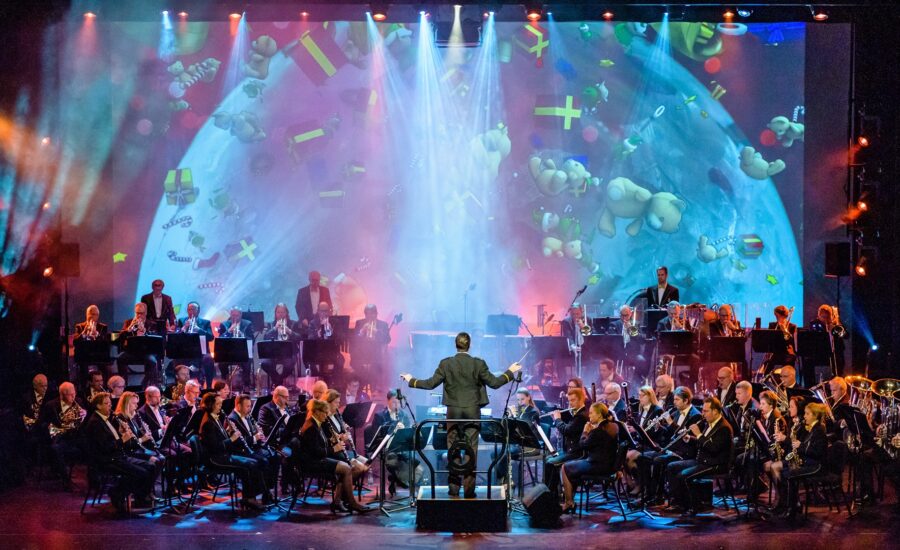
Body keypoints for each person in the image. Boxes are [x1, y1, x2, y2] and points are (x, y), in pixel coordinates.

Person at [401, 332, 521, 498]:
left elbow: (430, 384)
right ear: (469, 345)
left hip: (454, 412)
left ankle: (454, 489)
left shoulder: (446, 363)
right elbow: (494, 383)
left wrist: (411, 380)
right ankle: (470, 491)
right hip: (472, 412)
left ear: (455, 345)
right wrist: (510, 371)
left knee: (453, 450)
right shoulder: (478, 363)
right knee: (472, 450)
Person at [83, 392, 157, 512]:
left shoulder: (106, 419)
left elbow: (113, 440)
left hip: (117, 456)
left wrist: (121, 433)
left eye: (110, 403)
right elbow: (105, 448)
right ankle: (117, 492)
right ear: (98, 406)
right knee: (141, 472)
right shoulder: (95, 423)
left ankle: (140, 496)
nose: (110, 406)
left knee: (150, 467)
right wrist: (123, 439)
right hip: (106, 460)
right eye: (106, 404)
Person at [297, 399, 370, 513]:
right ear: (317, 412)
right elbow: (316, 452)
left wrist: (332, 440)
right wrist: (334, 448)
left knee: (346, 468)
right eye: (325, 413)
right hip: (313, 462)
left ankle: (338, 501)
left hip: (319, 458)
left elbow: (321, 444)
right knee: (346, 468)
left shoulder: (316, 423)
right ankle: (351, 502)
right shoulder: (311, 427)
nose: (326, 416)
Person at [664, 396, 733, 514]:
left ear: (715, 411)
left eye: (706, 411)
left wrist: (698, 434)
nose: (703, 414)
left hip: (715, 464)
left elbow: (713, 448)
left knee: (684, 475)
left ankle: (694, 506)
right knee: (672, 466)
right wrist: (690, 438)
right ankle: (678, 503)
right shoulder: (710, 422)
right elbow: (704, 441)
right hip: (703, 460)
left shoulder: (724, 427)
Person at [199, 392, 267, 510]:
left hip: (223, 454)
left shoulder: (215, 417)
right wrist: (232, 439)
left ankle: (251, 497)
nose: (221, 406)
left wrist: (228, 432)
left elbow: (220, 439)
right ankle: (250, 498)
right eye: (218, 404)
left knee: (252, 462)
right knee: (249, 464)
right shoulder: (208, 423)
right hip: (215, 458)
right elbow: (215, 447)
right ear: (210, 405)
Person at [560, 402, 619, 513]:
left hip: (598, 465)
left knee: (565, 467)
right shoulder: (613, 426)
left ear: (599, 415)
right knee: (574, 467)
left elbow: (582, 445)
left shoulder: (597, 431)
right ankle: (570, 499)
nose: (589, 415)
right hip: (610, 465)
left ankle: (568, 503)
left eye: (591, 413)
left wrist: (585, 431)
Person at [779, 402, 828, 519]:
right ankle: (792, 503)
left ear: (815, 416)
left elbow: (817, 452)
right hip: (809, 462)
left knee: (789, 474)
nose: (804, 416)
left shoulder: (819, 430)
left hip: (816, 465)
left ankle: (792, 508)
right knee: (785, 471)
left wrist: (800, 446)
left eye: (807, 414)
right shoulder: (813, 429)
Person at [543, 387, 589, 500]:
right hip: (570, 450)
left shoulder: (582, 416)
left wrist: (558, 419)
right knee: (548, 459)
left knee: (550, 463)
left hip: (577, 453)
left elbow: (567, 430)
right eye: (569, 401)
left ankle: (552, 497)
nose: (570, 403)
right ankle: (553, 494)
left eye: (573, 400)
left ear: (581, 399)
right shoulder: (576, 413)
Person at [37, 382, 86, 488]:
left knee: (92, 445)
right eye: (70, 394)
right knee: (56, 449)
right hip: (59, 438)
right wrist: (52, 428)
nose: (73, 396)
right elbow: (42, 423)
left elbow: (83, 424)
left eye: (74, 393)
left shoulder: (79, 401)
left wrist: (84, 415)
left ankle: (94, 480)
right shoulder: (51, 405)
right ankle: (65, 479)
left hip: (75, 436)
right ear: (62, 395)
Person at [117, 302, 162, 387]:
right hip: (131, 352)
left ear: (146, 313)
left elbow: (155, 339)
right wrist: (128, 329)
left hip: (147, 352)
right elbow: (120, 338)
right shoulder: (128, 322)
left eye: (141, 313)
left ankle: (149, 384)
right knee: (120, 359)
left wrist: (145, 331)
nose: (139, 316)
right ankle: (123, 385)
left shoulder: (152, 324)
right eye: (137, 313)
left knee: (152, 361)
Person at [173, 301, 216, 387]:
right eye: (189, 309)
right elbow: (175, 335)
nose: (191, 312)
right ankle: (179, 386)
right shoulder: (181, 320)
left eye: (193, 309)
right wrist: (184, 327)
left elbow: (211, 337)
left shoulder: (205, 322)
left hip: (201, 352)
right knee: (176, 358)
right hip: (185, 351)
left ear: (198, 311)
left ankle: (208, 386)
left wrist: (199, 329)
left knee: (209, 359)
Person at [260, 303, 300, 388]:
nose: (280, 314)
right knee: (264, 363)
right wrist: (274, 329)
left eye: (283, 312)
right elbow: (265, 337)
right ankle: (279, 381)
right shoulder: (271, 324)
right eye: (278, 312)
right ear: (275, 313)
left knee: (289, 364)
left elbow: (299, 338)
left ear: (286, 313)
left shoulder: (293, 324)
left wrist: (289, 331)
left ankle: (277, 382)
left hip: (289, 354)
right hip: (273, 353)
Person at [352, 304, 391, 388]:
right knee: (360, 373)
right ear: (365, 314)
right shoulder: (359, 323)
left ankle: (375, 391)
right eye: (367, 314)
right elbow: (354, 339)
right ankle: (359, 393)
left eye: (372, 313)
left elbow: (387, 339)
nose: (370, 316)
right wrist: (362, 331)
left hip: (376, 357)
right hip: (361, 356)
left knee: (375, 370)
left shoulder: (383, 325)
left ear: (376, 314)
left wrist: (376, 331)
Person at [216, 306, 254, 390]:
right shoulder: (224, 324)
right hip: (228, 354)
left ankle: (246, 385)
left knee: (247, 362)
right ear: (230, 315)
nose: (235, 317)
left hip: (242, 353)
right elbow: (220, 339)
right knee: (221, 363)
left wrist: (241, 334)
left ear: (241, 315)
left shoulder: (247, 324)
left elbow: (252, 339)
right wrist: (228, 331)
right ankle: (224, 384)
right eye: (233, 315)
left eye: (237, 315)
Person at [73, 304, 111, 380]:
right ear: (87, 314)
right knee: (83, 367)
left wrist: (97, 334)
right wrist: (84, 332)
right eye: (92, 314)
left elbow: (106, 342)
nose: (94, 317)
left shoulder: (103, 327)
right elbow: (75, 341)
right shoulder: (79, 326)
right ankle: (84, 388)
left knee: (106, 367)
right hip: (84, 355)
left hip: (98, 354)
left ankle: (104, 387)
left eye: (96, 315)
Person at [810, 304, 847, 377]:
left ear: (831, 316)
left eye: (828, 317)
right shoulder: (814, 324)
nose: (826, 320)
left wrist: (835, 327)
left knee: (838, 375)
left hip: (837, 356)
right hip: (822, 356)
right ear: (819, 316)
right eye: (823, 317)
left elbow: (846, 336)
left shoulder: (836, 325)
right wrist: (826, 330)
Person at [763, 305, 797, 375]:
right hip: (776, 352)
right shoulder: (772, 325)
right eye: (776, 316)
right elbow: (769, 340)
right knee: (767, 364)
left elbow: (791, 342)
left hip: (788, 353)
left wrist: (785, 330)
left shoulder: (792, 326)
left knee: (788, 361)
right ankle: (767, 382)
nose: (777, 318)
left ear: (784, 316)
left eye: (779, 316)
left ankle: (787, 382)